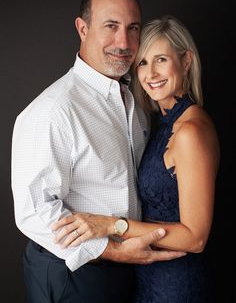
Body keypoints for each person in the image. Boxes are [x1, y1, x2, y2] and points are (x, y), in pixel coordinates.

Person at [11, 0, 185, 303]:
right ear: (82, 28)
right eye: (111, 26)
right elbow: (34, 212)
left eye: (133, 28)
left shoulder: (135, 101)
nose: (124, 42)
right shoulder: (52, 111)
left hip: (126, 270)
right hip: (74, 274)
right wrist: (113, 250)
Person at [52, 16, 220, 302]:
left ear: (186, 60)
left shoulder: (191, 131)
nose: (150, 73)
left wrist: (109, 224)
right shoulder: (162, 122)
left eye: (161, 59)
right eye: (142, 62)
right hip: (147, 277)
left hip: (176, 284)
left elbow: (196, 238)